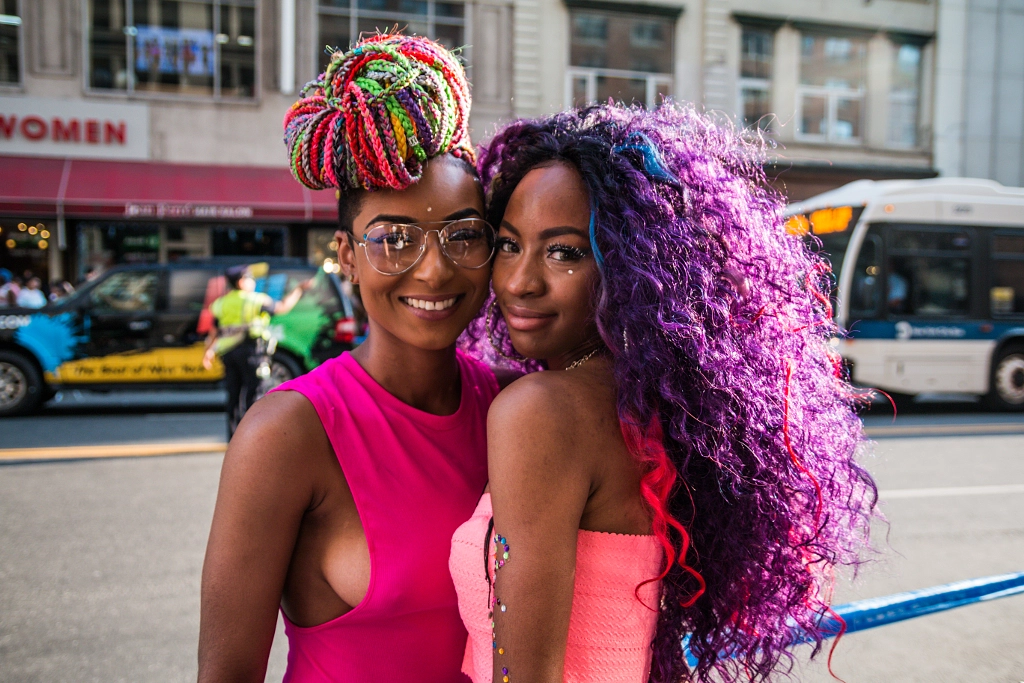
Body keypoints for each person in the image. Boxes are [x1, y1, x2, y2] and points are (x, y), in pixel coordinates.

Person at [450, 104, 879, 683]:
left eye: (565, 252)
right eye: (508, 245)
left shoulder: (542, 411)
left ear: (628, 266)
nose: (521, 281)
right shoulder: (639, 403)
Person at [199, 34, 503, 683]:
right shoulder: (286, 434)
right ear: (345, 254)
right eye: (394, 238)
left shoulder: (512, 408)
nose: (433, 268)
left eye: (462, 235)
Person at [201, 263, 311, 436]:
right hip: (252, 352)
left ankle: (233, 437)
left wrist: (208, 351)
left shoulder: (220, 303)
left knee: (234, 396)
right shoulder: (255, 300)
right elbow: (282, 308)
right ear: (240, 282)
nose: (253, 282)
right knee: (256, 394)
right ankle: (252, 437)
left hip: (229, 353)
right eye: (250, 278)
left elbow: (215, 331)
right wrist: (298, 290)